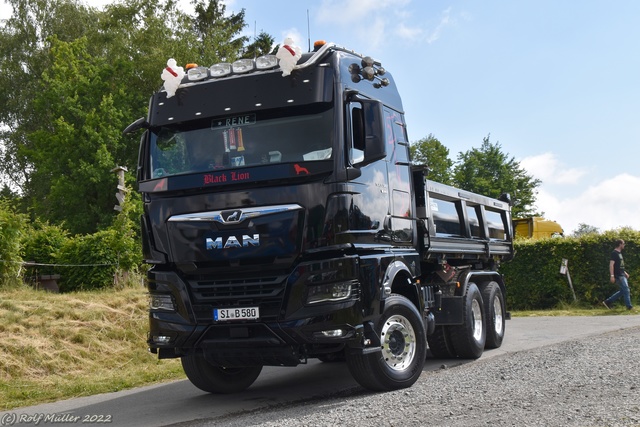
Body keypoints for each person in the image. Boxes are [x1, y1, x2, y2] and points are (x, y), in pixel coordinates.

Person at [603, 239, 634, 310]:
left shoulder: (619, 253)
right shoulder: (614, 253)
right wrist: (612, 276)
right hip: (618, 275)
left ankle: (607, 302)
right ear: (620, 244)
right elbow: (611, 265)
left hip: (622, 274)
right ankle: (629, 306)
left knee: (623, 290)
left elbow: (619, 265)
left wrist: (624, 272)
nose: (624, 245)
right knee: (626, 289)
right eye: (623, 244)